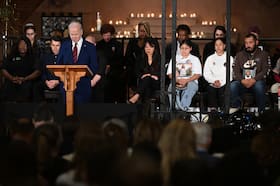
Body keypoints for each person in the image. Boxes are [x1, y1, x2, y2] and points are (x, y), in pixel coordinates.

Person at [57, 20, 98, 103]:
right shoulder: (64, 45)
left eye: (76, 34)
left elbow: (94, 66)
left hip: (83, 86)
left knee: (83, 113)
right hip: (67, 86)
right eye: (71, 34)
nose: (74, 36)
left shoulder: (90, 47)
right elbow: (59, 64)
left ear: (81, 32)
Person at [230, 33, 269, 113]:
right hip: (243, 82)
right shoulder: (239, 55)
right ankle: (236, 113)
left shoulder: (264, 54)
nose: (248, 45)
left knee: (259, 86)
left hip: (257, 82)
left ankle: (262, 114)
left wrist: (254, 80)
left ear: (256, 42)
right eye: (246, 43)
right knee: (233, 86)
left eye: (250, 42)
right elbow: (235, 71)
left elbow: (266, 70)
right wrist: (242, 80)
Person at [0, 36, 41, 102]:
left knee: (31, 88)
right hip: (12, 81)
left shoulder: (33, 57)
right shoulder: (11, 56)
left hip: (28, 81)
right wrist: (11, 78)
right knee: (7, 87)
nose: (23, 46)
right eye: (21, 44)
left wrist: (25, 79)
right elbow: (3, 69)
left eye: (25, 44)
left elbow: (37, 72)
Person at [166, 39, 202, 111]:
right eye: (182, 48)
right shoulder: (175, 58)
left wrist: (186, 81)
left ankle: (182, 109)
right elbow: (169, 74)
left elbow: (198, 74)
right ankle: (175, 108)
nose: (184, 50)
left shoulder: (195, 59)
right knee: (171, 88)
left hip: (191, 81)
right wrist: (178, 80)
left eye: (186, 48)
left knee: (189, 89)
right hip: (177, 80)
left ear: (190, 48)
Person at [125, 21, 160, 94]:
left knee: (147, 78)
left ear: (147, 31)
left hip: (149, 66)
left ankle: (137, 95)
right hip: (135, 65)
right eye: (140, 31)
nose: (142, 33)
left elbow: (157, 56)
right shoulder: (133, 41)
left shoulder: (152, 41)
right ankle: (133, 91)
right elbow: (128, 56)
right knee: (129, 71)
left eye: (143, 31)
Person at [96, 24, 126, 103]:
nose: (107, 37)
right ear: (102, 35)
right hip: (102, 71)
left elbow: (120, 60)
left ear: (112, 35)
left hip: (115, 70)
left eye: (108, 35)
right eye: (105, 35)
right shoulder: (99, 45)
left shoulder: (117, 44)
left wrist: (110, 66)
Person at [203, 37, 234, 110]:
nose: (218, 47)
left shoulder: (229, 58)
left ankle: (223, 112)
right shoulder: (210, 58)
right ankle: (213, 113)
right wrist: (213, 81)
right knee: (210, 90)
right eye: (216, 45)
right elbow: (206, 73)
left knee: (223, 91)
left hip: (225, 83)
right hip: (212, 83)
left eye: (220, 44)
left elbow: (231, 74)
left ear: (224, 46)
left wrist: (221, 83)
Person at [128, 37, 161, 104]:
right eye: (146, 47)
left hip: (156, 82)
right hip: (144, 81)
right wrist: (142, 76)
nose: (148, 49)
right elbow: (136, 71)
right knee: (147, 81)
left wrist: (156, 76)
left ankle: (137, 95)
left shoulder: (160, 58)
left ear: (155, 48)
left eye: (151, 47)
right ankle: (146, 110)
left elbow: (163, 71)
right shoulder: (140, 58)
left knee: (147, 79)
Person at [85, 33, 107, 102]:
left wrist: (92, 82)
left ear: (94, 44)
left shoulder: (100, 54)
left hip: (97, 84)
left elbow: (101, 70)